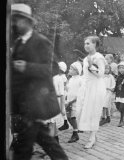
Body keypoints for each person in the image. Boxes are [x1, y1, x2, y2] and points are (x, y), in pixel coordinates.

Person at [10, 3, 68, 159]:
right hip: (23, 104)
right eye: (13, 20)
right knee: (45, 141)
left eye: (17, 20)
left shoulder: (40, 41)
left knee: (23, 148)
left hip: (36, 102)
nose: (14, 24)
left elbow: (51, 69)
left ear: (28, 22)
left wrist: (27, 67)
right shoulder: (17, 43)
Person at [76, 35, 106, 149]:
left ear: (95, 44)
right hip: (86, 87)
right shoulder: (86, 58)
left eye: (88, 43)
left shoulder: (98, 57)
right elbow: (85, 75)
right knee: (81, 111)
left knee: (93, 112)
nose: (86, 46)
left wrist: (90, 66)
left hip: (96, 88)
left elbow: (101, 74)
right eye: (85, 44)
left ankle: (92, 138)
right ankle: (93, 135)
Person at [65, 62, 82, 143]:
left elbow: (81, 92)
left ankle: (75, 133)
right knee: (68, 117)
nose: (69, 70)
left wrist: (73, 101)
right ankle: (76, 130)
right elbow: (69, 89)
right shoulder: (71, 79)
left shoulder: (80, 79)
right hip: (69, 101)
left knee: (73, 117)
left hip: (75, 101)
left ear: (77, 71)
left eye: (71, 69)